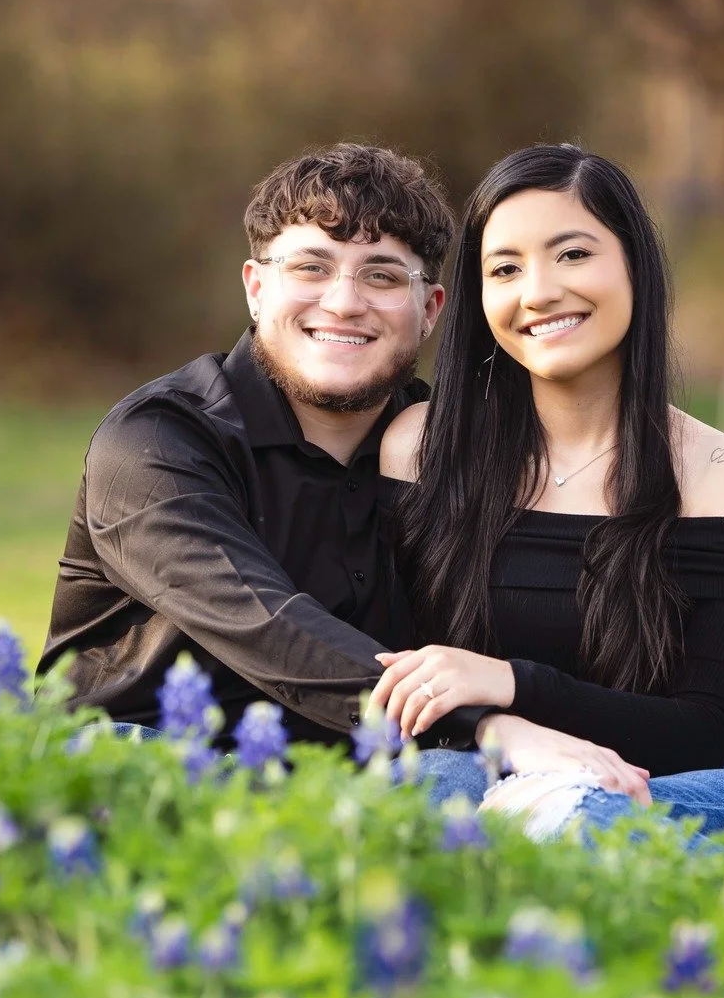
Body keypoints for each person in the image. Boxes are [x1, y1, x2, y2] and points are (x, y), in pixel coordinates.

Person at [372, 142, 724, 847]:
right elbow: (390, 680)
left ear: (635, 266)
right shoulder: (421, 448)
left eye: (573, 254)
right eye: (505, 269)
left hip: (679, 782)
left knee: (587, 821)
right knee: (423, 796)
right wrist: (502, 730)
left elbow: (704, 728)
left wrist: (507, 681)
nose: (539, 290)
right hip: (480, 762)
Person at [42, 143, 522, 753]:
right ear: (256, 287)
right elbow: (263, 622)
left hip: (364, 792)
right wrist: (485, 726)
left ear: (429, 310)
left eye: (380, 275)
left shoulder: (451, 452)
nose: (344, 302)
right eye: (310, 268)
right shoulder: (155, 441)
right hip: (148, 778)